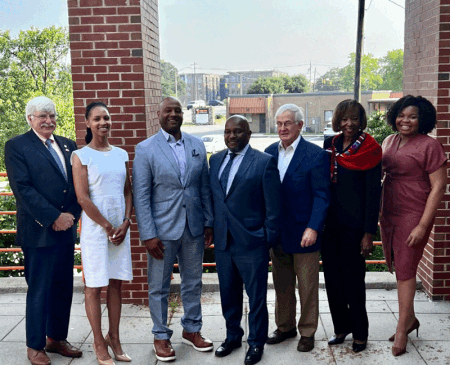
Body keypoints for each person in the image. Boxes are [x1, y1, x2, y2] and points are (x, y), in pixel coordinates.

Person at [133, 96, 214, 362]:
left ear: (183, 114)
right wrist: (148, 234)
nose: (173, 114)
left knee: (193, 282)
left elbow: (204, 187)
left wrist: (208, 222)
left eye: (177, 110)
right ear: (158, 114)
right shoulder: (146, 149)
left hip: (193, 227)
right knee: (158, 286)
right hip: (161, 231)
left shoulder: (197, 144)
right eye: (168, 110)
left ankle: (192, 330)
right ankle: (160, 335)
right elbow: (141, 196)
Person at [4, 96, 82, 365]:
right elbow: (22, 188)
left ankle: (56, 338)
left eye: (52, 116)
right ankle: (35, 345)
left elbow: (77, 185)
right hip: (38, 231)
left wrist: (70, 215)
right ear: (30, 119)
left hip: (66, 229)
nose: (48, 121)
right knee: (39, 289)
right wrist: (53, 218)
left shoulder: (68, 145)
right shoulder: (17, 146)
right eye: (42, 116)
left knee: (63, 287)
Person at [209, 116, 281, 365]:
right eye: (227, 132)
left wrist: (266, 238)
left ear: (248, 134)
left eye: (237, 132)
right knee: (228, 294)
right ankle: (232, 337)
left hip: (253, 242)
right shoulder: (215, 160)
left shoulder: (264, 162)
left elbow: (274, 207)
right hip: (223, 242)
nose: (231, 136)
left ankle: (256, 343)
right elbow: (216, 199)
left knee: (256, 298)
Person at [380, 95, 447, 357]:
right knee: (398, 264)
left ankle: (401, 327)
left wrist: (422, 225)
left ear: (423, 120)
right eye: (401, 115)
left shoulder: (430, 146)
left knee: (406, 269)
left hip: (413, 212)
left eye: (412, 117)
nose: (405, 121)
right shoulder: (389, 141)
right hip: (389, 210)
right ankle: (411, 319)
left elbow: (439, 186)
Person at [265, 104, 330, 353]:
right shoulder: (269, 152)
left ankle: (307, 331)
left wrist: (313, 227)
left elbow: (322, 196)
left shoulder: (315, 155)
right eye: (279, 123)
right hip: (278, 234)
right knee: (281, 285)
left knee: (307, 286)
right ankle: (285, 327)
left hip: (305, 234)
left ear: (300, 125)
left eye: (287, 123)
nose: (282, 128)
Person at [72, 102, 133, 365]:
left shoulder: (120, 154)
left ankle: (114, 337)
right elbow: (83, 198)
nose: (103, 123)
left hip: (120, 228)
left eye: (106, 118)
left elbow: (127, 190)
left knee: (116, 283)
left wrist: (126, 222)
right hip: (97, 231)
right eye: (97, 119)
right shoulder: (81, 156)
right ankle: (99, 342)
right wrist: (108, 227)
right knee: (94, 286)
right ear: (87, 123)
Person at [322, 99, 382, 353]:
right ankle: (341, 328)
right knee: (333, 279)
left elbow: (373, 195)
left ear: (361, 121)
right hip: (329, 225)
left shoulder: (370, 149)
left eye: (354, 119)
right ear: (338, 120)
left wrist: (368, 233)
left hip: (355, 227)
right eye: (344, 119)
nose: (349, 124)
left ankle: (360, 332)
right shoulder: (331, 144)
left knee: (354, 281)